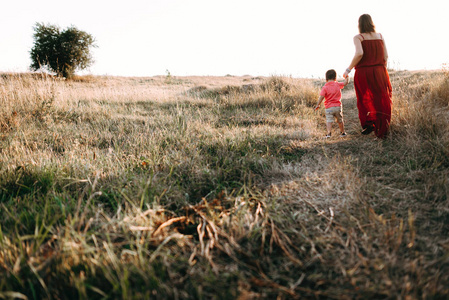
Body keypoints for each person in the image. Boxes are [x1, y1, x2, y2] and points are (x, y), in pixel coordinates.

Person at [343, 14, 392, 138]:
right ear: (372, 23)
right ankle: (383, 129)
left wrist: (348, 69)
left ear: (359, 24)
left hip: (364, 72)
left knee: (365, 98)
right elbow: (386, 56)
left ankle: (369, 122)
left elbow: (359, 53)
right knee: (381, 98)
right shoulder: (380, 36)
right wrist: (380, 69)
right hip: (380, 71)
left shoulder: (358, 37)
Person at [315, 69, 349, 138]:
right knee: (340, 120)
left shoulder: (325, 87)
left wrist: (318, 104)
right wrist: (347, 77)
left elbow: (321, 97)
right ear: (335, 78)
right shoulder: (337, 84)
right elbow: (345, 83)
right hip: (337, 107)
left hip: (329, 108)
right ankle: (343, 133)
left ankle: (329, 134)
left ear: (326, 79)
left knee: (329, 120)